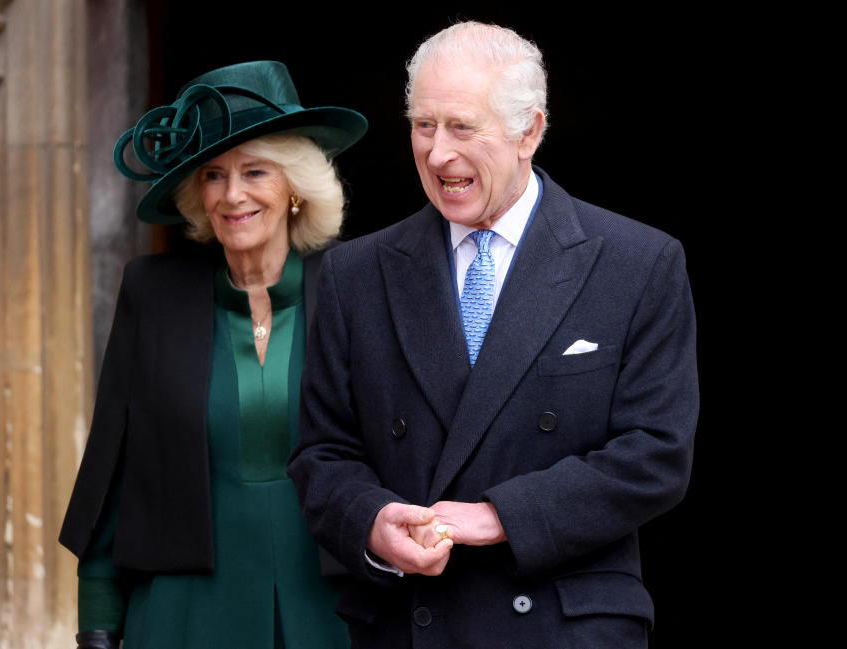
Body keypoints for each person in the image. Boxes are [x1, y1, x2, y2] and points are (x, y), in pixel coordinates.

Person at [287, 21, 699, 649]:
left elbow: (657, 454)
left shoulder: (637, 263)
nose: (437, 153)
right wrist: (372, 523)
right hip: (411, 621)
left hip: (564, 626)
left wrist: (501, 516)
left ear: (529, 131)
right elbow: (322, 455)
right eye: (423, 126)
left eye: (461, 127)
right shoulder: (356, 274)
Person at [59, 60, 367, 649]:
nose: (233, 195)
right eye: (213, 175)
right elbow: (111, 465)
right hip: (184, 611)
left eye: (256, 171)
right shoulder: (153, 293)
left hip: (330, 607)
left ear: (296, 186)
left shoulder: (358, 287)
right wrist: (97, 618)